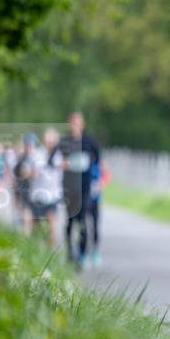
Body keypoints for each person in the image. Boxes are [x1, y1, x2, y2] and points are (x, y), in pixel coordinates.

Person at [55, 111, 101, 270]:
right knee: (70, 220)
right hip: (69, 187)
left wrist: (98, 182)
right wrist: (63, 164)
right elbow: (53, 161)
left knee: (82, 220)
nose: (75, 125)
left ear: (83, 124)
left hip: (85, 187)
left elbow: (98, 161)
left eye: (78, 122)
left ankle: (82, 254)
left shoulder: (89, 141)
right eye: (72, 122)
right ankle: (69, 252)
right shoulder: (64, 141)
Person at [28, 128, 64, 248]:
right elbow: (30, 171)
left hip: (53, 195)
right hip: (38, 195)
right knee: (35, 227)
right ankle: (34, 250)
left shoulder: (59, 155)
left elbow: (64, 166)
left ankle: (49, 251)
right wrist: (33, 173)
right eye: (48, 139)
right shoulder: (37, 154)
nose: (50, 141)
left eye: (53, 139)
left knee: (52, 224)